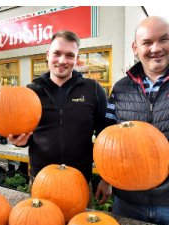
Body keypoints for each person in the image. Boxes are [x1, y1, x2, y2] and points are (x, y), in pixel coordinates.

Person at [98, 17, 169, 225]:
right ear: (135, 48)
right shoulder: (121, 89)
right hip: (128, 202)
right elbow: (106, 140)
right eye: (147, 42)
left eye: (163, 39)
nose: (156, 48)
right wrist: (106, 179)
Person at [8, 31, 109, 185]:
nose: (62, 60)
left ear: (77, 59)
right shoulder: (31, 92)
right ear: (48, 55)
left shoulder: (93, 90)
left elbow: (106, 137)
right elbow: (24, 132)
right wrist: (18, 140)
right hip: (41, 179)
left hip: (79, 180)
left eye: (69, 55)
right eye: (57, 53)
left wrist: (106, 179)